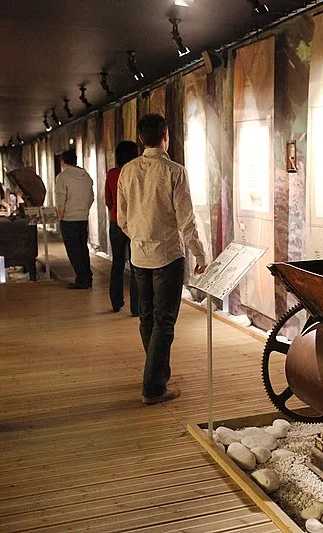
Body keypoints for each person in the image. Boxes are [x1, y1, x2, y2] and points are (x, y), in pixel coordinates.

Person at [117, 114, 207, 405]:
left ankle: (156, 372)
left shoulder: (127, 171)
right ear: (165, 136)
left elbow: (122, 218)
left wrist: (139, 235)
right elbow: (186, 218)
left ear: (141, 139)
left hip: (140, 255)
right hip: (167, 255)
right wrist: (200, 252)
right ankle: (154, 386)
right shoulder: (175, 171)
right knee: (164, 321)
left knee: (148, 317)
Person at [105, 141, 140, 314]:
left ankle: (116, 302)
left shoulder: (112, 174)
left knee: (117, 263)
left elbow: (108, 201)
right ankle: (136, 307)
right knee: (136, 265)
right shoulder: (137, 172)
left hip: (115, 222)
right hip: (134, 222)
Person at [55, 150, 94, 289]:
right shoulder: (86, 176)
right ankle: (87, 277)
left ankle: (82, 279)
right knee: (83, 248)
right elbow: (91, 197)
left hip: (68, 219)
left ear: (63, 161)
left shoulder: (62, 177)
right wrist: (84, 210)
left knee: (74, 251)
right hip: (82, 218)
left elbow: (60, 199)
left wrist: (60, 216)